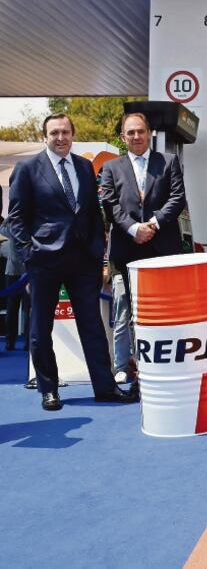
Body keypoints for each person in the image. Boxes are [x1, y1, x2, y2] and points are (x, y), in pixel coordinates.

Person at [7, 113, 137, 410]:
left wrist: (97, 249)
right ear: (45, 137)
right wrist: (29, 253)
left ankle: (105, 387)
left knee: (92, 325)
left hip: (83, 261)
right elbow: (17, 218)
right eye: (54, 133)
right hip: (44, 260)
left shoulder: (83, 167)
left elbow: (92, 212)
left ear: (73, 134)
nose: (61, 137)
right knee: (41, 328)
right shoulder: (27, 169)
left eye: (65, 132)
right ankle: (48, 390)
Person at [100, 112, 187, 293]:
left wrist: (153, 224)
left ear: (149, 133)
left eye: (141, 131)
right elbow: (110, 203)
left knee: (165, 304)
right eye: (131, 133)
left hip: (164, 246)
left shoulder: (169, 161)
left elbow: (178, 198)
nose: (136, 136)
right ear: (123, 137)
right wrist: (134, 229)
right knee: (133, 310)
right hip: (127, 247)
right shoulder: (111, 168)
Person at [0, 219, 28, 351]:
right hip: (29, 272)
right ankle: (28, 341)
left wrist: (8, 218)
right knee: (29, 309)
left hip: (12, 272)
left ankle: (10, 342)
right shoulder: (31, 225)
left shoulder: (12, 226)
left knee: (12, 308)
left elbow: (2, 229)